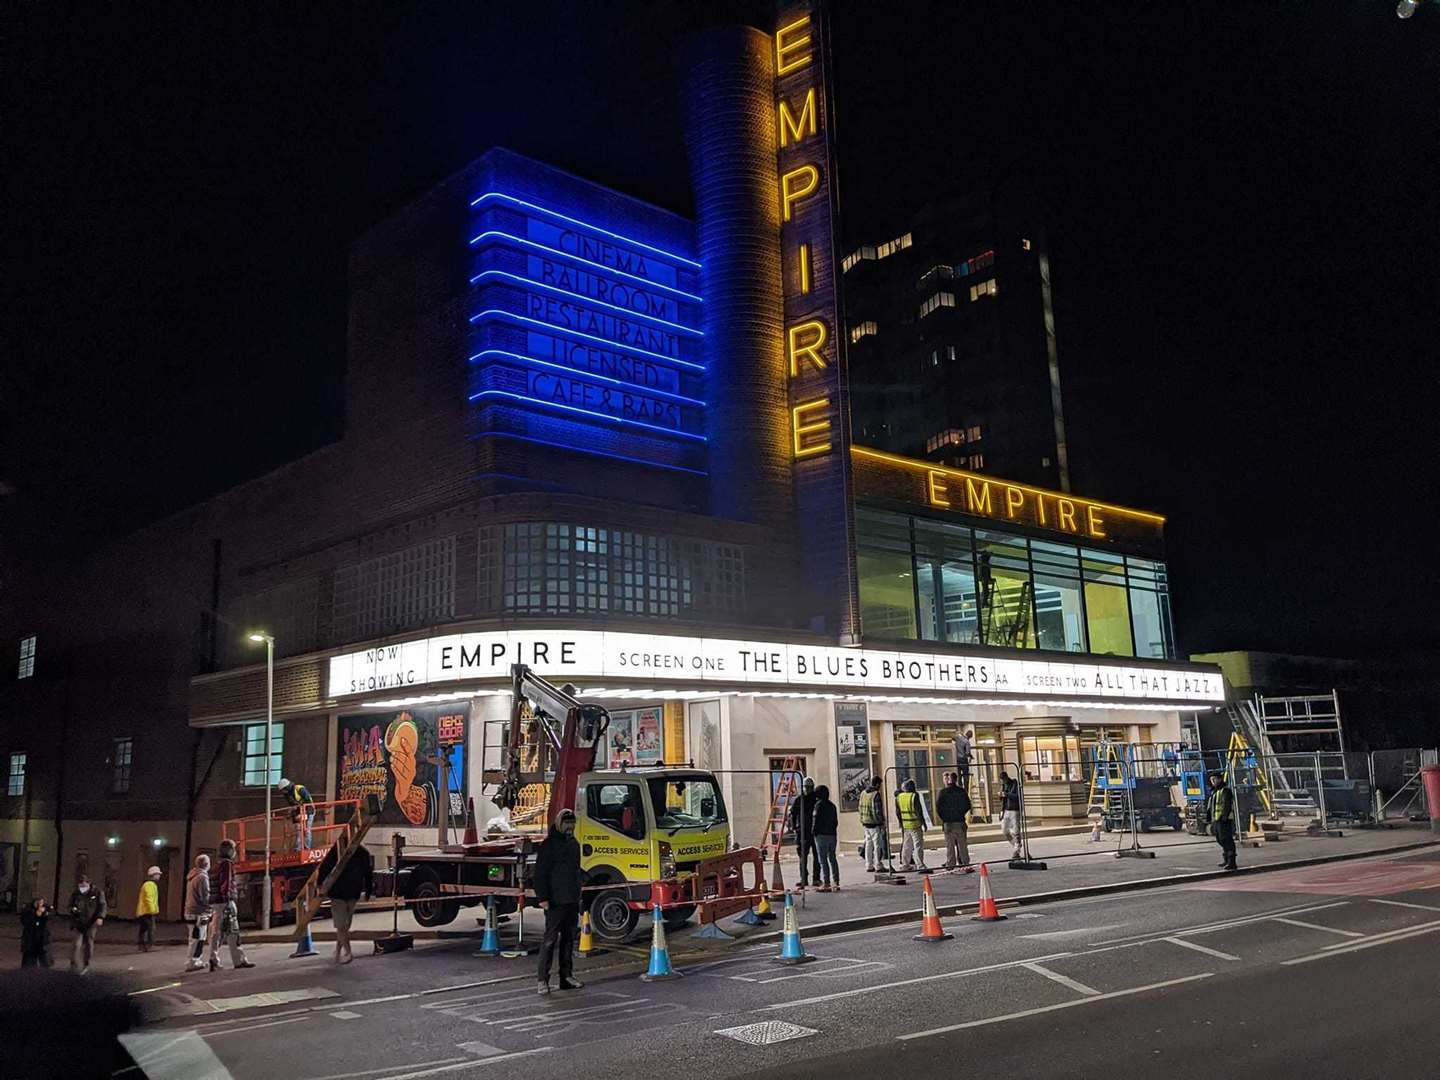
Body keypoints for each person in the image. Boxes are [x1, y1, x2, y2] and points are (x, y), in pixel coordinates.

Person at [534, 807, 583, 996]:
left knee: (569, 940)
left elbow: (576, 872)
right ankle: (542, 979)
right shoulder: (549, 845)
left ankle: (566, 976)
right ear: (559, 824)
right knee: (550, 940)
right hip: (555, 901)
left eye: (572, 824)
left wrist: (579, 894)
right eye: (567, 824)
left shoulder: (574, 844)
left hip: (571, 899)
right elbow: (541, 873)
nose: (570, 828)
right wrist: (543, 898)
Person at [208, 839, 255, 971]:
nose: (235, 852)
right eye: (234, 849)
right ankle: (239, 960)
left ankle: (214, 959)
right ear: (229, 851)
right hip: (225, 902)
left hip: (217, 903)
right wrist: (228, 899)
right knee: (233, 931)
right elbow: (226, 883)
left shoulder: (216, 865)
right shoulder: (227, 864)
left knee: (216, 932)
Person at [325, 840, 374, 964]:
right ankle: (347, 952)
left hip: (341, 892)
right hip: (349, 893)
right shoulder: (362, 853)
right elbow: (368, 874)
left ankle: (338, 951)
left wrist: (321, 886)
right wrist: (368, 890)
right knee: (343, 925)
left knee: (343, 926)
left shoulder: (337, 851)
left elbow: (325, 868)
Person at [68, 874, 107, 974]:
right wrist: (72, 910)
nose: (82, 887)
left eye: (84, 884)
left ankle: (86, 964)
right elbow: (70, 905)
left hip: (91, 922)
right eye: (80, 885)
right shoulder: (76, 893)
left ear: (88, 883)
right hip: (78, 922)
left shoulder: (97, 892)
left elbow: (102, 905)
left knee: (89, 944)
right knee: (77, 944)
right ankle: (74, 965)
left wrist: (100, 917)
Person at [936, 772, 974, 871]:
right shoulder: (961, 791)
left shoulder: (943, 792)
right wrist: (960, 813)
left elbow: (938, 808)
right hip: (960, 821)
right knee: (962, 845)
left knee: (950, 845)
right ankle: (966, 864)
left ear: (948, 780)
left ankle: (950, 864)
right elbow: (968, 805)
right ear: (956, 779)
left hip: (948, 823)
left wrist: (944, 818)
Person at [789, 776, 821, 887]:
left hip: (815, 831)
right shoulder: (799, 800)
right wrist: (794, 828)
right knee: (803, 857)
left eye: (809, 787)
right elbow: (792, 814)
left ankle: (816, 878)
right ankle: (804, 879)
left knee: (817, 857)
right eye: (806, 787)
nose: (807, 789)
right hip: (802, 832)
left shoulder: (816, 799)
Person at [184, 854, 211, 972]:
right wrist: (211, 907)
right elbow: (205, 896)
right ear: (206, 864)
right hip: (199, 912)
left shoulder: (192, 876)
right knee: (198, 938)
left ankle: (195, 960)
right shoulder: (202, 877)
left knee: (195, 937)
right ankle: (193, 961)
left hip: (190, 911)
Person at [1207, 771, 1238, 871]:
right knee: (1220, 840)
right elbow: (1211, 806)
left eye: (1214, 779)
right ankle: (1226, 860)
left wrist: (1224, 817)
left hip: (1224, 820)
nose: (1212, 781)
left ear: (1220, 779)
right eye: (1211, 780)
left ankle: (1232, 862)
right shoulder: (1214, 791)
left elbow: (1227, 805)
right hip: (1216, 820)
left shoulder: (1225, 790)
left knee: (1227, 840)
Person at [811, 785, 840, 891]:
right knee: (832, 858)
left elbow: (815, 821)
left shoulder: (818, 806)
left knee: (823, 860)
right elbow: (835, 822)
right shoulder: (833, 806)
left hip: (821, 836)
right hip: (832, 835)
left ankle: (826, 883)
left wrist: (813, 832)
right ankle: (836, 881)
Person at [896, 779, 928, 871]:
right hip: (915, 825)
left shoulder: (899, 797)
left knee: (907, 846)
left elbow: (898, 812)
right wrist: (924, 823)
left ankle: (905, 864)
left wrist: (901, 823)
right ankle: (920, 865)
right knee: (918, 846)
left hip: (905, 825)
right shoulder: (914, 796)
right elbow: (919, 811)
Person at [858, 776, 887, 873]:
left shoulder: (863, 793)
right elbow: (878, 811)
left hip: (866, 823)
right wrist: (882, 822)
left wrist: (862, 820)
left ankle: (869, 865)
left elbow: (860, 808)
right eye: (880, 784)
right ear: (877, 784)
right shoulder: (876, 794)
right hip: (875, 824)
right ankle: (878, 865)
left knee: (868, 845)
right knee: (877, 845)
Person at [278, 778, 316, 850]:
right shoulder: (287, 795)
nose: (283, 792)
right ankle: (298, 848)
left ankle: (307, 848)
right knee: (298, 830)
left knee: (306, 830)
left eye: (284, 790)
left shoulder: (300, 789)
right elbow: (293, 806)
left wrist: (306, 814)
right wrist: (293, 816)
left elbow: (309, 802)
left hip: (309, 810)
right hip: (299, 812)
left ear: (287, 787)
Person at [135, 865, 162, 952]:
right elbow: (148, 898)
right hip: (147, 911)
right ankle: (150, 945)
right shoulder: (150, 885)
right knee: (150, 929)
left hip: (143, 911)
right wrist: (152, 910)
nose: (159, 876)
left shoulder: (148, 884)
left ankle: (141, 946)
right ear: (153, 875)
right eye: (158, 874)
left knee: (143, 929)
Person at [20, 896, 52, 968]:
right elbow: (25, 921)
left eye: (42, 903)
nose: (40, 905)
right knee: (29, 960)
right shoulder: (29, 911)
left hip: (41, 939)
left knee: (44, 959)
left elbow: (47, 920)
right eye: (38, 903)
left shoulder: (45, 911)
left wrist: (44, 914)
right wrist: (35, 914)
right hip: (30, 939)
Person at [999, 770, 1022, 859]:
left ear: (1005, 778)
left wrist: (1006, 794)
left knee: (1016, 830)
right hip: (1006, 810)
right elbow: (1002, 799)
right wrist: (1001, 795)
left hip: (1014, 809)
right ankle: (1016, 845)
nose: (1002, 782)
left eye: (1002, 780)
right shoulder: (1003, 786)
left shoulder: (1014, 783)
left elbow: (1016, 796)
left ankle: (1017, 849)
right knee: (1005, 831)